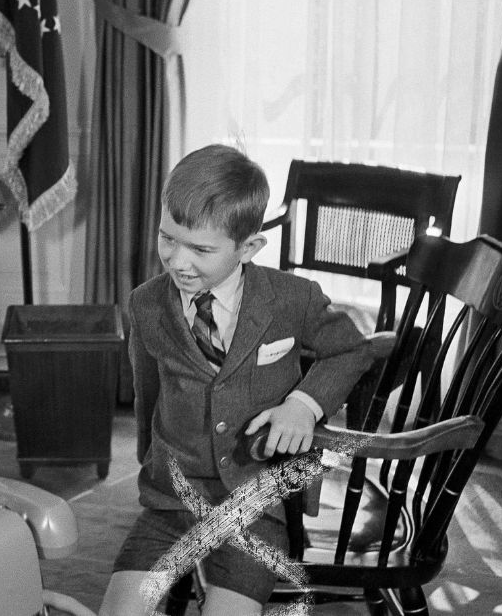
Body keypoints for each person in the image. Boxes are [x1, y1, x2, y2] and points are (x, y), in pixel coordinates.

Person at [98, 145, 375, 615]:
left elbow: (352, 349)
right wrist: (151, 462)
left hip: (256, 504)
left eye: (201, 249)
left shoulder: (292, 299)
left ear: (248, 248)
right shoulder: (146, 305)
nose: (177, 261)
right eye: (168, 238)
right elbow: (149, 394)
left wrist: (303, 404)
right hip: (170, 501)